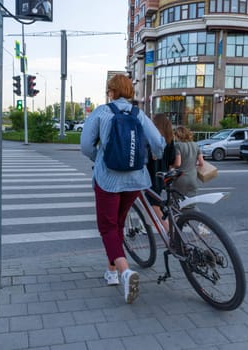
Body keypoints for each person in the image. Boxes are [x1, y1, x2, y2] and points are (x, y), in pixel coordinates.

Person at [81, 74, 165, 304]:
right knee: (118, 223)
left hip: (108, 178)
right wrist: (149, 158)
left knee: (107, 227)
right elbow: (158, 142)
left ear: (111, 91)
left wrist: (99, 159)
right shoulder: (139, 114)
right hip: (136, 180)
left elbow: (86, 145)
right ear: (129, 91)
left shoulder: (102, 112)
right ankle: (111, 273)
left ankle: (125, 271)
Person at [146, 114, 179, 232]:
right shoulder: (169, 141)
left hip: (151, 176)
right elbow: (173, 161)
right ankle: (169, 229)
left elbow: (146, 158)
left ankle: (171, 232)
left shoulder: (152, 139)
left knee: (154, 205)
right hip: (163, 175)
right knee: (156, 203)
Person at [173, 126, 204, 197]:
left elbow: (178, 164)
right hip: (193, 179)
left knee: (178, 203)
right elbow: (201, 162)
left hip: (181, 179)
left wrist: (171, 166)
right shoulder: (195, 145)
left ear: (178, 135)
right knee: (191, 204)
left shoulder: (178, 145)